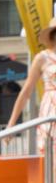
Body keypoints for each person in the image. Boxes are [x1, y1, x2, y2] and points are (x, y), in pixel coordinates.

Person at [8, 17, 56, 148]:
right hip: (51, 111)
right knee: (52, 160)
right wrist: (11, 124)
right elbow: (26, 92)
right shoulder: (42, 58)